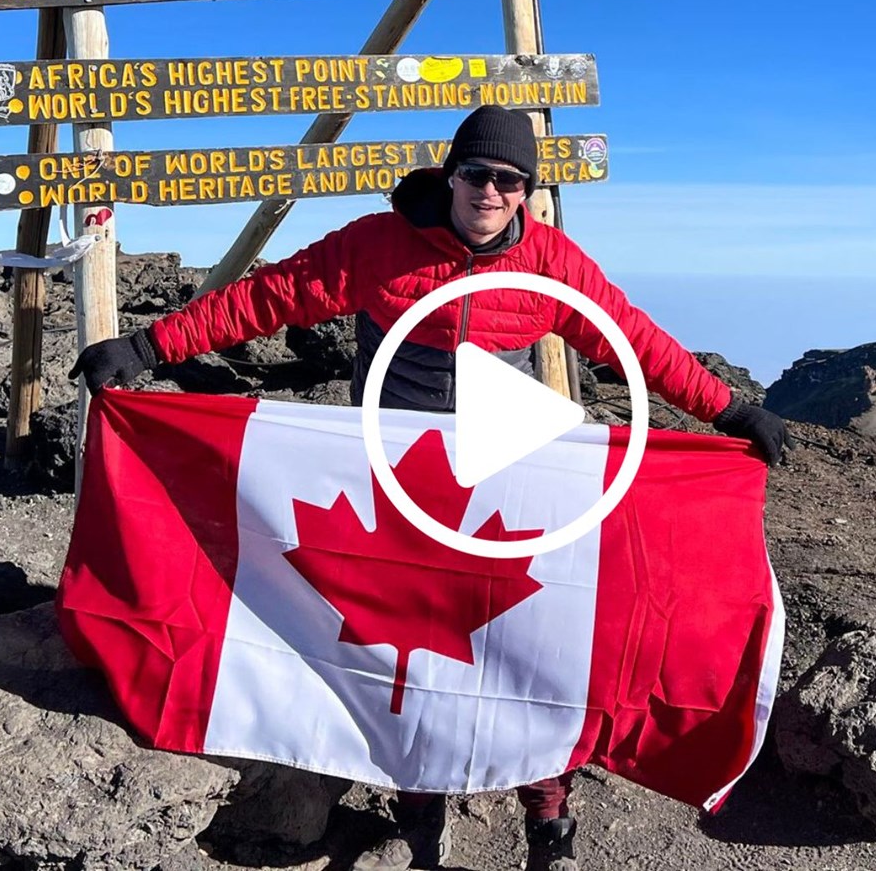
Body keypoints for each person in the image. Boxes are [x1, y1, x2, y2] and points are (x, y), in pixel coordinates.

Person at [70, 106, 789, 871]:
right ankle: (419, 802)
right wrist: (149, 346)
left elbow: (634, 340)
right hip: (394, 492)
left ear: (527, 193)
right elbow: (269, 296)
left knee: (518, 647)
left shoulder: (551, 263)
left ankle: (548, 815)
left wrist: (731, 408)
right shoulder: (378, 245)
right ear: (451, 175)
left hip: (502, 488)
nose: (491, 191)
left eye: (510, 181)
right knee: (403, 651)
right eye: (477, 174)